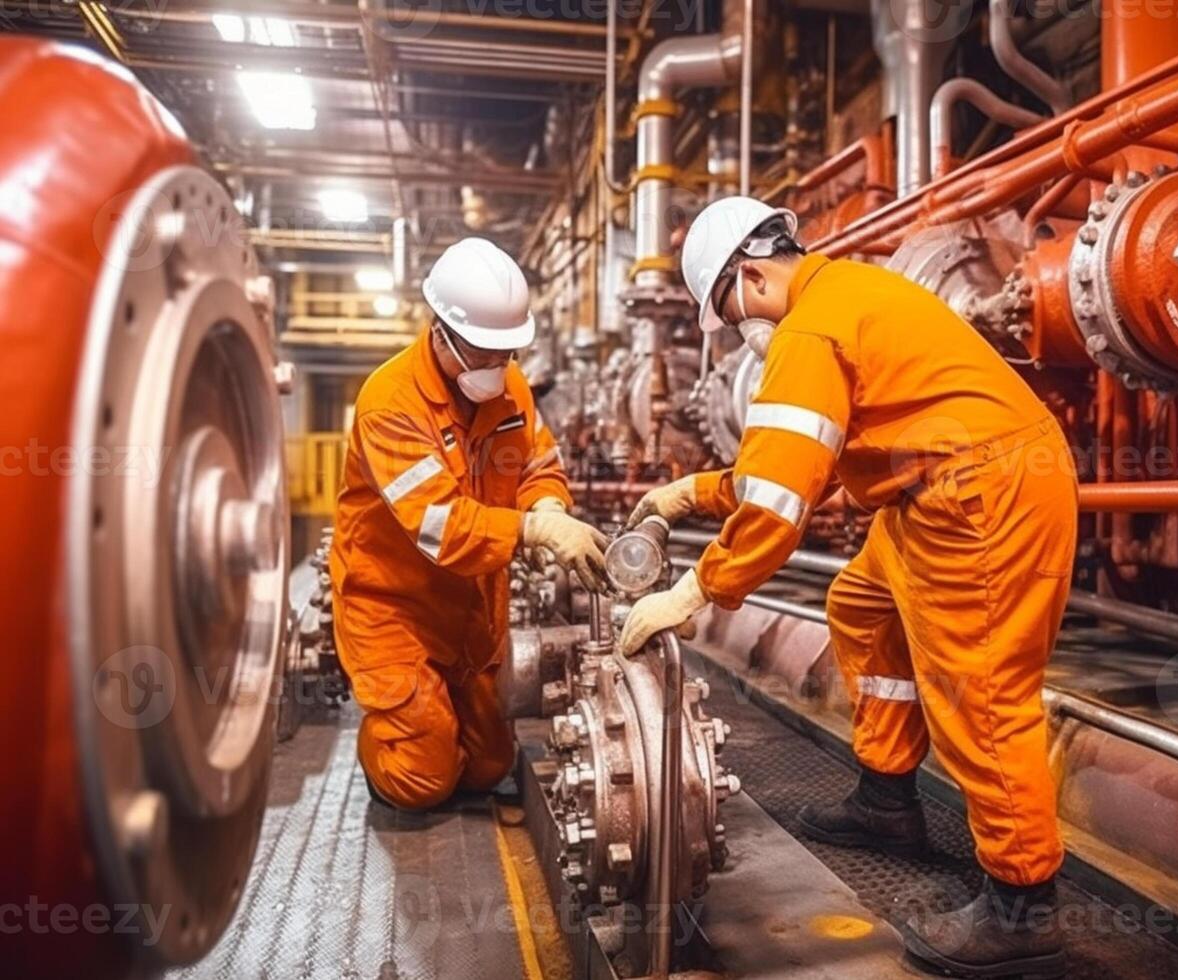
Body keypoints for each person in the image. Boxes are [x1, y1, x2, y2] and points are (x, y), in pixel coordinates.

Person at [617, 197, 1078, 978]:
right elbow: (796, 464)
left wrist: (697, 591)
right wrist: (688, 494)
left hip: (981, 495)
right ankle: (887, 801)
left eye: (728, 313)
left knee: (980, 691)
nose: (737, 330)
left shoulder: (809, 332)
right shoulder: (846, 295)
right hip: (939, 489)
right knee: (860, 604)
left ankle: (1023, 904)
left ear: (751, 276)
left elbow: (775, 507)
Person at [330, 237, 608, 810]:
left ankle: (438, 722)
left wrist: (549, 507)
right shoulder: (390, 404)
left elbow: (539, 465)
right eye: (483, 352)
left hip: (473, 606)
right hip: (394, 607)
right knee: (423, 778)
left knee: (488, 767)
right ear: (441, 331)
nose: (496, 367)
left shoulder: (510, 387)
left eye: (506, 353)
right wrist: (529, 532)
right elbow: (439, 526)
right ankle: (388, 739)